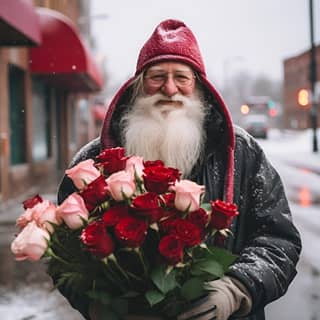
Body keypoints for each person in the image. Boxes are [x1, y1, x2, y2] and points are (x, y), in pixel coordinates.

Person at [55, 19, 301, 320]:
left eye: (181, 77)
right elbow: (65, 252)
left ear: (197, 85)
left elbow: (279, 241)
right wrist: (98, 306)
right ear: (138, 86)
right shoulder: (95, 159)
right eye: (157, 76)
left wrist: (237, 288)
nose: (170, 89)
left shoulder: (242, 152)